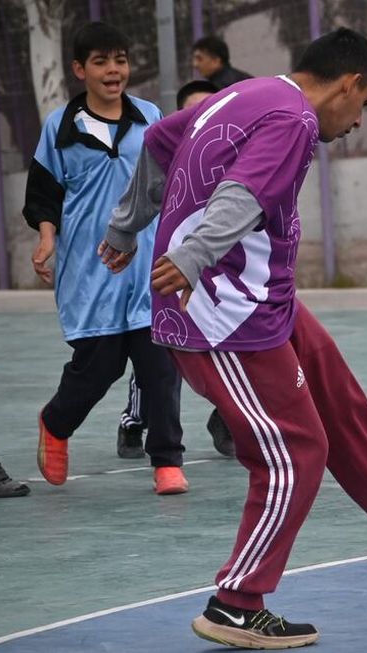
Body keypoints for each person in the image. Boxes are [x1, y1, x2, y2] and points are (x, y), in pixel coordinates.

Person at [98, 28, 367, 649]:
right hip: (223, 316)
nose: (358, 121)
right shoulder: (295, 119)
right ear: (350, 84)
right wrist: (192, 255)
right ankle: (236, 604)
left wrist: (125, 227)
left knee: (338, 397)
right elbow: (246, 193)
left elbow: (161, 143)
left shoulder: (242, 94)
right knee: (296, 452)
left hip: (264, 301)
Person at [23, 22, 188, 495]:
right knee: (100, 366)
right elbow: (44, 194)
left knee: (159, 365)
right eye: (100, 61)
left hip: (147, 265)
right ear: (80, 70)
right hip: (89, 268)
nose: (113, 70)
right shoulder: (60, 126)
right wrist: (46, 238)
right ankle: (56, 423)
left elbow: (171, 179)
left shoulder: (151, 116)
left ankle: (167, 461)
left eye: (119, 59)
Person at [117, 78, 233, 461]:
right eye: (193, 112)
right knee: (163, 356)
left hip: (220, 271)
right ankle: (135, 419)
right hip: (174, 266)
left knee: (231, 348)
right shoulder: (168, 158)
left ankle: (228, 420)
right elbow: (141, 202)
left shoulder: (235, 156)